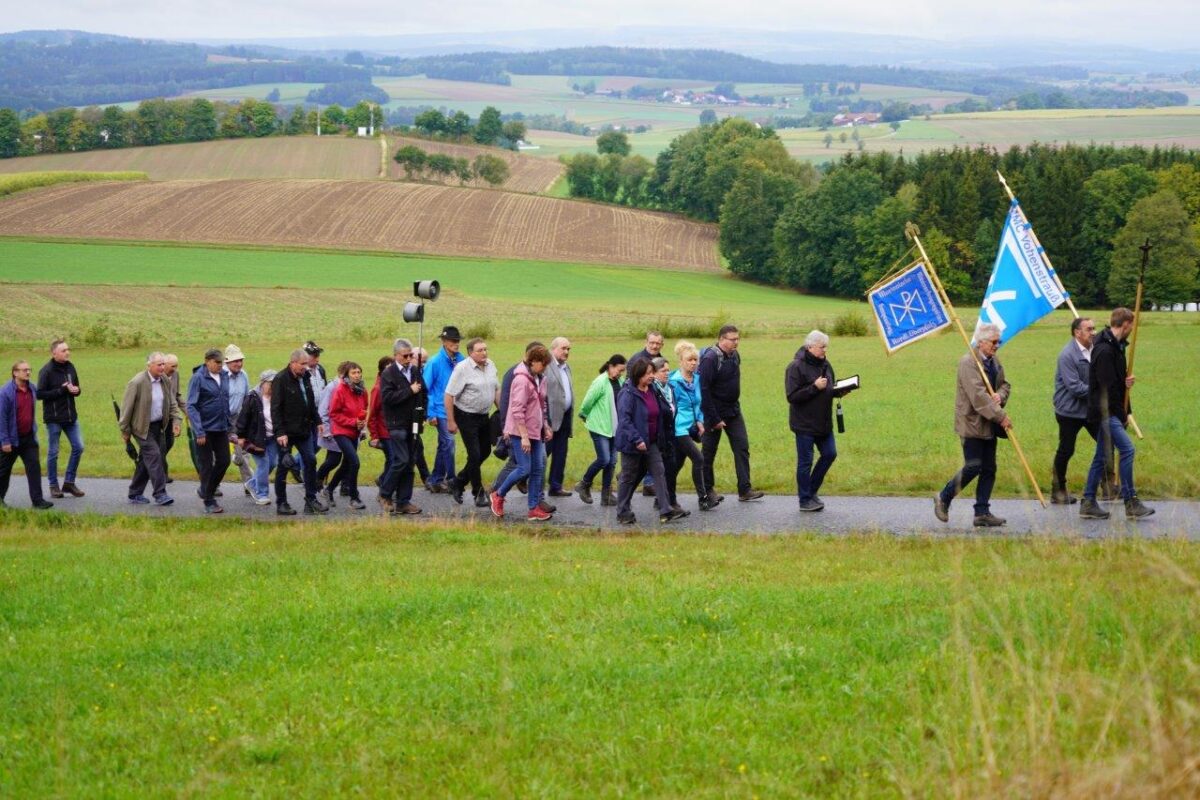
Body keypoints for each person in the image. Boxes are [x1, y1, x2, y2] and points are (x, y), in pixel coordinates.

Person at [933, 323, 1012, 527]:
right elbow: (978, 397)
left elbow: (1005, 384)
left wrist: (999, 396)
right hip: (972, 423)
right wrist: (1000, 416)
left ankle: (982, 512)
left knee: (989, 468)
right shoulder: (968, 363)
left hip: (989, 423)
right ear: (981, 342)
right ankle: (943, 497)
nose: (997, 345)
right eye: (994, 342)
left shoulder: (994, 361)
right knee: (974, 466)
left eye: (998, 342)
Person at [1080, 308, 1154, 520]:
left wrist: (1125, 382)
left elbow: (1114, 382)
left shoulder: (1116, 347)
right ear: (1126, 324)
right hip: (1105, 411)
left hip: (1110, 409)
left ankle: (1088, 502)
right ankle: (1131, 502)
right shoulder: (1105, 350)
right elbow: (1107, 389)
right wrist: (1122, 416)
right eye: (1132, 325)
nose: (1133, 329)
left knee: (1101, 456)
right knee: (1127, 450)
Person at [785, 330, 857, 512]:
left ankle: (811, 491)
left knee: (830, 454)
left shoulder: (826, 364)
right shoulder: (795, 367)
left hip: (823, 422)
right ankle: (804, 500)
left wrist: (838, 391)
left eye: (826, 347)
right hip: (804, 424)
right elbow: (792, 396)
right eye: (822, 347)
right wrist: (814, 387)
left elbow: (828, 387)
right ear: (810, 347)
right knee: (805, 462)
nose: (825, 350)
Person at [1050, 318, 1114, 505]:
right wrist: (1102, 392)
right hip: (1069, 411)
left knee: (1107, 443)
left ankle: (1108, 486)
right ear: (1077, 333)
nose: (1093, 332)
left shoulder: (1096, 350)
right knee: (1066, 450)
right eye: (1089, 329)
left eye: (1094, 328)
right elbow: (1075, 387)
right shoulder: (1067, 355)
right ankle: (1058, 490)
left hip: (1091, 409)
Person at [614, 358, 684, 525]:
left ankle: (665, 510)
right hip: (632, 443)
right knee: (628, 477)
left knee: (659, 472)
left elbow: (660, 414)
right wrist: (636, 439)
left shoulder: (652, 390)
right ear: (638, 375)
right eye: (648, 374)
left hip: (652, 442)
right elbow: (624, 420)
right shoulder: (627, 394)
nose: (652, 376)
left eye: (652, 372)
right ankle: (623, 512)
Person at [699, 324, 763, 502]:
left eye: (737, 339)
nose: (736, 342)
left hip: (733, 410)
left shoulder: (735, 355)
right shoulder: (710, 359)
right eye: (732, 339)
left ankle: (745, 489)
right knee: (708, 453)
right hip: (713, 414)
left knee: (742, 447)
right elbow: (704, 390)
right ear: (721, 339)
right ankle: (707, 491)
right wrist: (714, 418)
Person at [490, 345, 554, 522]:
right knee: (524, 468)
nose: (545, 368)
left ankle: (533, 509)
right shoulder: (521, 380)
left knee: (537, 469)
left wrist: (545, 425)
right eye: (543, 364)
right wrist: (524, 436)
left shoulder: (540, 378)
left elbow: (541, 405)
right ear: (533, 361)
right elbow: (517, 410)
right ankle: (498, 495)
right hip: (520, 432)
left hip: (536, 431)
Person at [119, 351, 181, 506]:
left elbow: (172, 402)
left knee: (145, 460)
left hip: (158, 427)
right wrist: (125, 431)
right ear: (149, 365)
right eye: (159, 364)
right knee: (155, 456)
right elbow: (126, 409)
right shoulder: (137, 383)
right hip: (141, 427)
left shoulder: (165, 380)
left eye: (163, 364)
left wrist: (176, 421)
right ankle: (160, 494)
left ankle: (134, 493)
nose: (162, 367)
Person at [445, 337, 499, 507]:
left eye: (485, 349)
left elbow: (496, 389)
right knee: (474, 455)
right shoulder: (462, 369)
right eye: (480, 350)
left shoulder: (491, 365)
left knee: (485, 451)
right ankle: (478, 492)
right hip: (466, 416)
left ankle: (458, 481)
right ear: (470, 353)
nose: (484, 353)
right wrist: (451, 421)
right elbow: (449, 395)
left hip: (484, 415)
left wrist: (503, 413)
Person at [271, 349, 326, 516]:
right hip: (286, 433)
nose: (305, 367)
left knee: (310, 460)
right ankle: (282, 503)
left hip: (303, 430)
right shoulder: (280, 379)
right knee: (284, 466)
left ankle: (311, 500)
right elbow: (275, 409)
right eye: (302, 364)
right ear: (293, 363)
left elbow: (310, 402)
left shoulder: (305, 377)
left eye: (306, 364)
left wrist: (318, 421)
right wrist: (280, 432)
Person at [378, 338, 424, 516]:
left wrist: (423, 414)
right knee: (402, 460)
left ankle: (403, 501)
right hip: (396, 423)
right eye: (405, 356)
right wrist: (409, 391)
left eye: (411, 355)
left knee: (410, 462)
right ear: (396, 355)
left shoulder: (415, 371)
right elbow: (387, 398)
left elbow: (423, 393)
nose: (409, 358)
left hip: (413, 423)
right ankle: (385, 493)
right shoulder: (388, 374)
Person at [0, 360, 53, 510]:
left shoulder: (32, 388)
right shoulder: (5, 393)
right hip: (11, 439)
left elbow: (43, 396)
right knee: (3, 471)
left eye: (29, 369)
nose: (28, 372)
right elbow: (1, 418)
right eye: (24, 370)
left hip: (28, 438)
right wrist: (4, 441)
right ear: (15, 373)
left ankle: (38, 501)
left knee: (34, 468)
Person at [669, 341, 715, 511]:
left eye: (696, 360)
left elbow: (699, 404)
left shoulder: (697, 380)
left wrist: (700, 421)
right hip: (678, 429)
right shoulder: (673, 382)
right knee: (698, 458)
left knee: (676, 465)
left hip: (691, 427)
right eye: (689, 360)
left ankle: (662, 496)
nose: (694, 363)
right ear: (681, 361)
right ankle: (703, 499)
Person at [575, 354, 626, 506]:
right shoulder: (600, 382)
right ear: (610, 366)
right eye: (619, 370)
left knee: (612, 462)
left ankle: (606, 495)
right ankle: (584, 484)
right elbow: (588, 401)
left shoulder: (620, 382)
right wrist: (584, 414)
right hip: (599, 427)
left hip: (614, 428)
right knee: (604, 459)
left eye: (622, 371)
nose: (620, 373)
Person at [37, 338, 85, 498]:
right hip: (54, 419)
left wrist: (77, 390)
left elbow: (76, 387)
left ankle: (69, 483)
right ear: (54, 353)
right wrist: (61, 390)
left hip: (71, 417)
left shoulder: (71, 367)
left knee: (78, 447)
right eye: (64, 350)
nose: (67, 352)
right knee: (53, 452)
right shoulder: (46, 371)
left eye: (68, 349)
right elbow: (39, 394)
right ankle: (53, 486)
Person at [187, 348, 232, 514]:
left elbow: (225, 402)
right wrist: (199, 431)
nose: (220, 365)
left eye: (222, 362)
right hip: (204, 430)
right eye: (217, 362)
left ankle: (206, 490)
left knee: (224, 461)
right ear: (207, 361)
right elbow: (191, 406)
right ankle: (209, 500)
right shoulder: (198, 378)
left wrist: (229, 427)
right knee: (206, 465)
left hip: (220, 428)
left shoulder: (224, 376)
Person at [422, 326, 464, 493]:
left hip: (457, 409)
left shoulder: (462, 360)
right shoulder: (434, 362)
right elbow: (426, 389)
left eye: (458, 340)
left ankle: (435, 480)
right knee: (449, 443)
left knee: (444, 445)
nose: (456, 343)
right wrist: (430, 413)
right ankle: (452, 480)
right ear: (444, 342)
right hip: (440, 410)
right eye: (453, 340)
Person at [327, 361, 369, 510]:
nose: (357, 375)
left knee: (346, 465)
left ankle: (329, 489)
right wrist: (352, 422)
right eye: (353, 373)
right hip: (341, 431)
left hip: (354, 432)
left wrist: (361, 424)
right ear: (347, 375)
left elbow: (364, 409)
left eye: (359, 372)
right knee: (355, 463)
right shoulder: (340, 390)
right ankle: (354, 497)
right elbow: (333, 414)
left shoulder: (362, 390)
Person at [650, 356, 686, 516]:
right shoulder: (652, 390)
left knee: (670, 469)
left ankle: (671, 502)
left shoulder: (670, 389)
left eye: (668, 370)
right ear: (654, 373)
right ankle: (624, 506)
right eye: (663, 371)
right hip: (657, 438)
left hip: (670, 437)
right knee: (637, 474)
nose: (667, 373)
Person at [235, 369, 277, 506]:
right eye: (270, 383)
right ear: (262, 383)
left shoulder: (278, 397)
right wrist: (241, 436)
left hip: (272, 437)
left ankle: (252, 483)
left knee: (272, 463)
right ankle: (261, 494)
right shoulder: (252, 397)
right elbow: (243, 417)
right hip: (256, 438)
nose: (273, 386)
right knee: (263, 464)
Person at [630, 331, 664, 496]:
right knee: (641, 451)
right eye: (652, 342)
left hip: (654, 408)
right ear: (646, 342)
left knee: (653, 447)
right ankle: (628, 478)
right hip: (639, 408)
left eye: (658, 343)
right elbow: (629, 385)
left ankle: (649, 483)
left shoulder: (661, 361)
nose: (655, 346)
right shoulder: (637, 360)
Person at [543, 336, 575, 498]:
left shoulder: (566, 367)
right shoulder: (546, 366)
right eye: (563, 348)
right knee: (543, 453)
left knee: (561, 453)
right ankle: (523, 479)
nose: (567, 351)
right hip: (549, 417)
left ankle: (555, 486)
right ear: (553, 349)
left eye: (568, 349)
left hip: (565, 416)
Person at [315, 361, 350, 503]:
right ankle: (318, 479)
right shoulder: (332, 388)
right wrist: (326, 430)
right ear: (342, 374)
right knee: (334, 460)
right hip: (333, 430)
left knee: (346, 460)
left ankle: (327, 485)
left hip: (347, 429)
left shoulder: (351, 387)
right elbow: (323, 409)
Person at [222, 344, 254, 493]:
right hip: (221, 419)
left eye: (241, 360)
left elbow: (247, 398)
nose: (239, 364)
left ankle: (249, 484)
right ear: (227, 361)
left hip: (238, 418)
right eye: (235, 361)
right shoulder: (220, 376)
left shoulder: (244, 375)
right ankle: (212, 486)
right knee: (219, 455)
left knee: (243, 451)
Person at [367, 355, 393, 489]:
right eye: (388, 369)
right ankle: (385, 488)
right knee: (393, 459)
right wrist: (374, 436)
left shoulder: (392, 384)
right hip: (384, 431)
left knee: (394, 459)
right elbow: (372, 414)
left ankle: (383, 480)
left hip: (393, 429)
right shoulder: (378, 389)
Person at [161, 353, 183, 483]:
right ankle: (162, 474)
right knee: (161, 446)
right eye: (172, 366)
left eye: (176, 366)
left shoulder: (175, 375)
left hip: (171, 415)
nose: (175, 369)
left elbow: (177, 396)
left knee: (169, 442)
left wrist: (188, 411)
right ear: (164, 365)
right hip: (159, 417)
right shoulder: (159, 376)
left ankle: (148, 464)